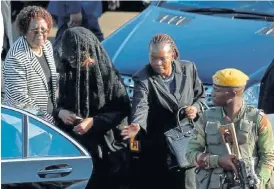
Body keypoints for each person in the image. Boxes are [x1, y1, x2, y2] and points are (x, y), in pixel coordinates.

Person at [121, 33, 206, 189]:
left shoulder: (188, 69)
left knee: (188, 183)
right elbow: (141, 104)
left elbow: (200, 97)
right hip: (160, 145)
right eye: (152, 58)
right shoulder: (144, 78)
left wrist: (195, 108)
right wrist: (137, 124)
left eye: (162, 58)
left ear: (172, 55)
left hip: (186, 142)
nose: (156, 63)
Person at [53, 27, 131, 189]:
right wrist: (61, 112)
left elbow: (122, 109)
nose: (82, 66)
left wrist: (94, 121)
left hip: (104, 150)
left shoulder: (107, 76)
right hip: (73, 148)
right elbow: (52, 103)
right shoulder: (67, 72)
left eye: (84, 61)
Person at [186, 68, 274, 189]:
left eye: (217, 89)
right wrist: (217, 161)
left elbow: (268, 156)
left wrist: (259, 182)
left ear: (233, 93)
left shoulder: (257, 119)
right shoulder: (206, 118)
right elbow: (190, 154)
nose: (212, 93)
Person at [3, 6, 57, 119]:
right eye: (35, 31)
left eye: (44, 30)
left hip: (51, 117)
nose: (40, 34)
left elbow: (53, 82)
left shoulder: (47, 46)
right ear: (24, 30)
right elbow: (19, 101)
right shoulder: (16, 58)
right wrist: (49, 120)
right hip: (29, 123)